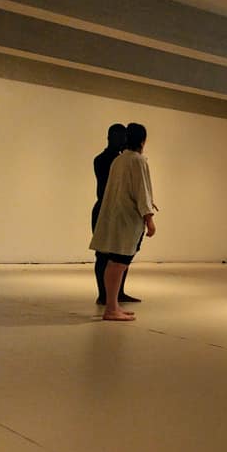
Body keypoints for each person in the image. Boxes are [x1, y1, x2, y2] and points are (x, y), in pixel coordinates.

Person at [89, 123, 156, 321]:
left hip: (114, 216)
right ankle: (111, 308)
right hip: (127, 220)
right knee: (119, 263)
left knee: (114, 262)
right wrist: (149, 219)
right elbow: (142, 192)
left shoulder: (119, 161)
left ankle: (112, 304)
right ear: (143, 141)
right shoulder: (138, 160)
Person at [91, 124, 140, 304]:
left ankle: (117, 292)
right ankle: (104, 294)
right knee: (103, 254)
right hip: (105, 210)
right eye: (120, 138)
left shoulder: (120, 160)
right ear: (111, 138)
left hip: (114, 210)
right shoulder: (105, 160)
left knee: (122, 253)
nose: (123, 142)